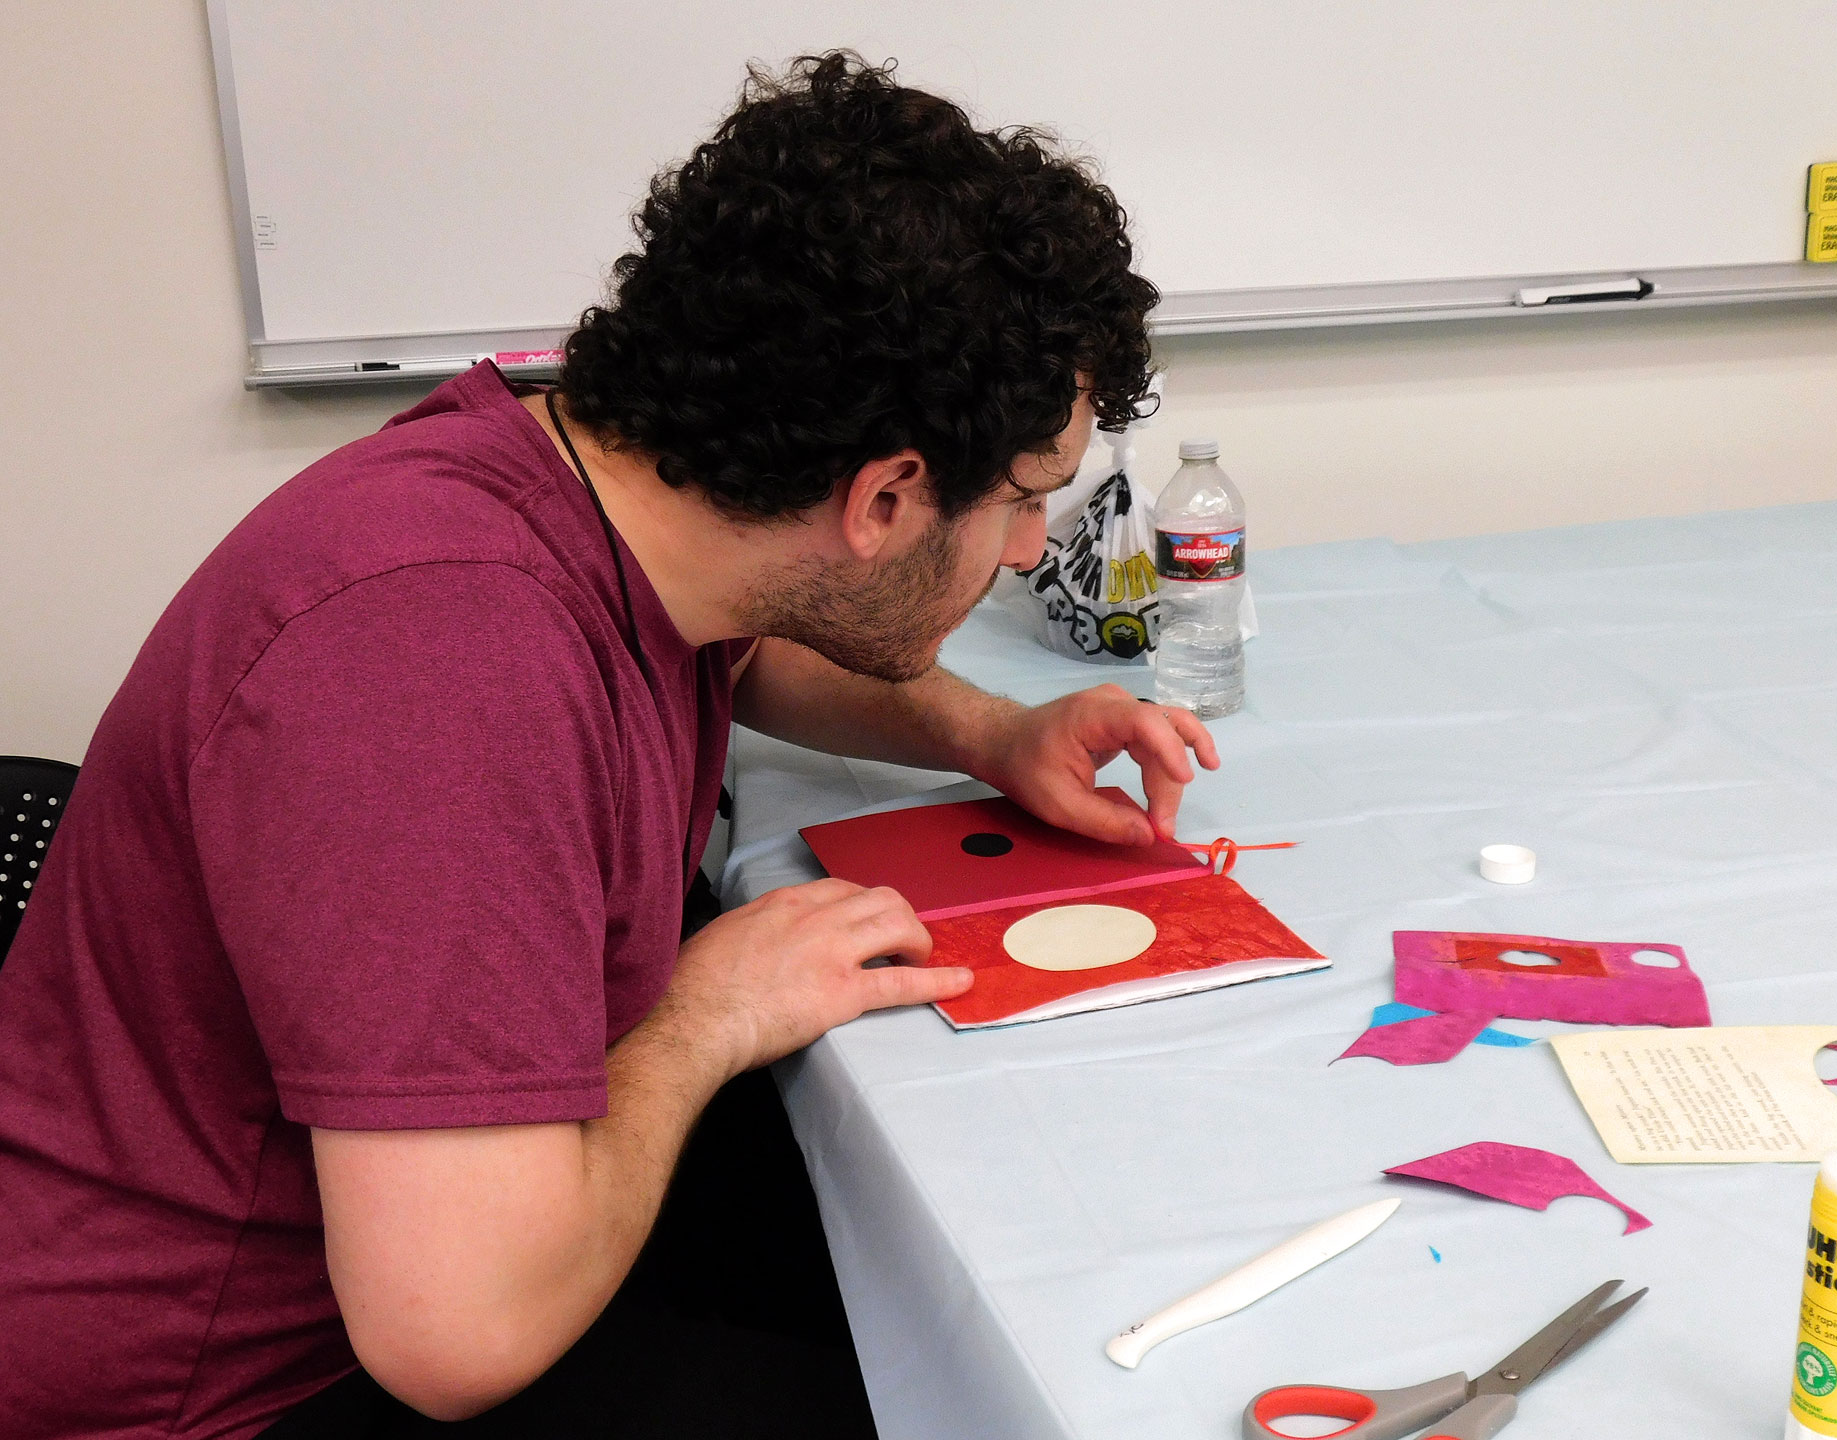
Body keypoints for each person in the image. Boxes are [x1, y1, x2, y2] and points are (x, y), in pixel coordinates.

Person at [0, 52, 1217, 1439]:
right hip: (230, 1389)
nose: (1023, 552)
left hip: (412, 1237)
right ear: (883, 496)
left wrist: (993, 731)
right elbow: (458, 1334)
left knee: (912, 1227)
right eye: (1017, 502)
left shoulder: (595, 489)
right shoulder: (434, 667)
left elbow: (751, 639)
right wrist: (712, 1013)